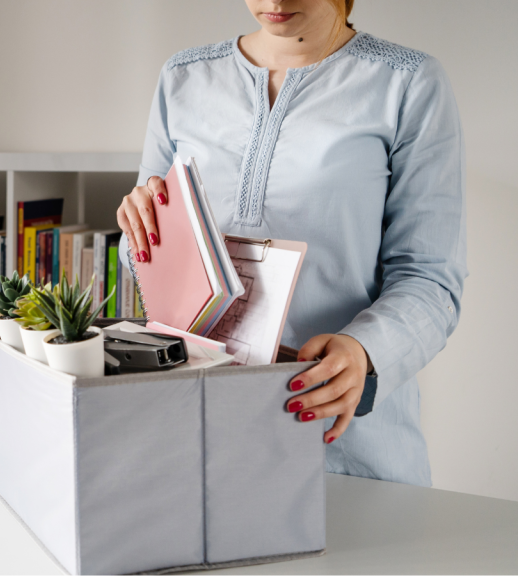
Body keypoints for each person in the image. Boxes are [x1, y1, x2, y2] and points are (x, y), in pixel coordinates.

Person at [116, 0, 465, 487]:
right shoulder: (183, 78)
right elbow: (142, 266)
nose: (275, 2)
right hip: (195, 433)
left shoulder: (406, 83)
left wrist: (365, 351)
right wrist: (141, 231)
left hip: (336, 441)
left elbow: (430, 278)